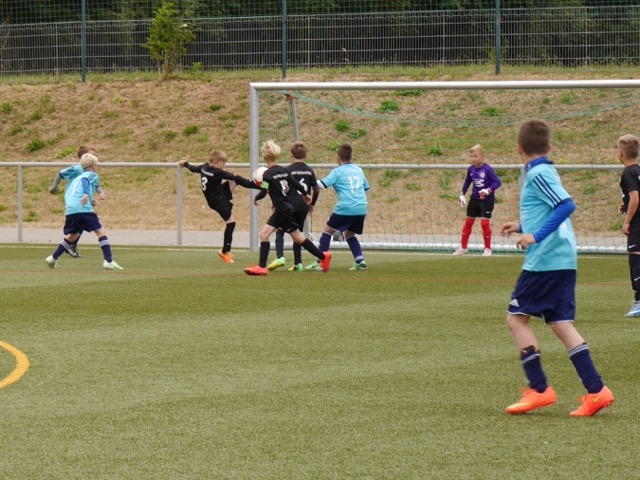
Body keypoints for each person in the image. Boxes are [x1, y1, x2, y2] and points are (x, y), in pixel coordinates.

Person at [500, 119, 613, 416]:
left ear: (518, 148)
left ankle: (539, 389)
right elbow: (549, 209)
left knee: (516, 319)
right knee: (561, 323)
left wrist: (535, 236)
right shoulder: (546, 170)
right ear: (549, 148)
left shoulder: (537, 173)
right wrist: (522, 226)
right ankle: (597, 391)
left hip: (545, 261)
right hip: (562, 259)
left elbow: (565, 205)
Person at [245, 140, 331, 276]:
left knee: (298, 238)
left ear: (265, 158)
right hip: (284, 208)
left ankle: (323, 256)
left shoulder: (267, 175)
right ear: (277, 156)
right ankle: (261, 267)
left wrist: (256, 198)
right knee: (264, 235)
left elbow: (264, 191)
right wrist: (306, 195)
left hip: (282, 210)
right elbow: (296, 184)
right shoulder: (283, 170)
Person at [46, 153, 123, 271]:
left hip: (71, 210)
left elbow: (76, 193)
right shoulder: (91, 175)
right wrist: (87, 195)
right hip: (82, 209)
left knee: (73, 236)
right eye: (96, 163)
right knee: (101, 232)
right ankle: (108, 261)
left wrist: (90, 200)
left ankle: (53, 258)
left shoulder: (76, 179)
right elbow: (85, 181)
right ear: (93, 166)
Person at [179, 150, 259, 264]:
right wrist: (234, 177)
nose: (223, 166)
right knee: (231, 223)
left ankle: (260, 186)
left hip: (219, 194)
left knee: (237, 180)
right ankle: (224, 252)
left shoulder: (204, 167)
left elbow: (193, 168)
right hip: (217, 201)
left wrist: (185, 163)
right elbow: (230, 176)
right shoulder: (217, 172)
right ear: (215, 162)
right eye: (223, 164)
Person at [305, 143, 369, 272]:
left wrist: (307, 180)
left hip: (346, 207)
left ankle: (320, 262)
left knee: (327, 231)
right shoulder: (359, 170)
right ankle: (360, 261)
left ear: (338, 157)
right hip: (362, 207)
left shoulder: (338, 171)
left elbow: (321, 185)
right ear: (351, 156)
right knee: (349, 234)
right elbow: (366, 188)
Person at [266, 141, 320, 272]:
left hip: (288, 206)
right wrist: (312, 204)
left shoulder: (287, 170)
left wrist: (276, 203)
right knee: (298, 235)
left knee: (280, 230)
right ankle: (298, 263)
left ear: (291, 155)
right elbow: (316, 189)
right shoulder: (309, 170)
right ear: (306, 155)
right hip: (303, 206)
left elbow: (280, 188)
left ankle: (280, 257)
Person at [48, 145, 101, 258]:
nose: (94, 157)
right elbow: (61, 173)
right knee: (85, 224)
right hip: (74, 200)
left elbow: (89, 186)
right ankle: (70, 246)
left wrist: (90, 199)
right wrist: (54, 187)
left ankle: (68, 247)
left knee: (80, 223)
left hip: (83, 200)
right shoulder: (77, 169)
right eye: (91, 154)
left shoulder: (91, 171)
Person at [454, 144, 502, 256]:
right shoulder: (471, 169)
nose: (473, 158)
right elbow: (467, 181)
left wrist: (488, 190)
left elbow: (497, 182)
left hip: (487, 200)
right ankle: (463, 247)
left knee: (484, 224)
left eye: (476, 156)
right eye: (472, 156)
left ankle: (487, 248)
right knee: (468, 222)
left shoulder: (488, 169)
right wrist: (462, 194)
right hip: (474, 199)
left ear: (482, 156)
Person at [616, 134, 640, 317]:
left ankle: (639, 302)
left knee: (635, 258)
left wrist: (627, 222)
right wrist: (626, 204)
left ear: (621, 153)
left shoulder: (628, 172)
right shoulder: (638, 170)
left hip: (637, 223)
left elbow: (635, 198)